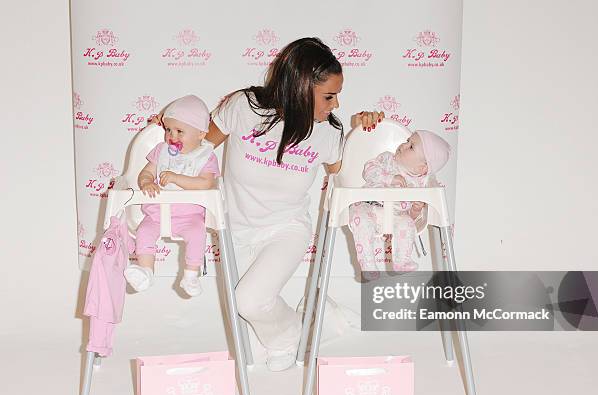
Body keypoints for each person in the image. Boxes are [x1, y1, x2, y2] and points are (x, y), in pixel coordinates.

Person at [150, 37, 383, 371]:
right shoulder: (243, 107)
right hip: (237, 230)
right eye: (329, 95)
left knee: (250, 301)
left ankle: (295, 336)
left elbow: (345, 174)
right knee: (253, 353)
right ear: (301, 87)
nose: (336, 105)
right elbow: (198, 146)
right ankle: (322, 321)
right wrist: (171, 132)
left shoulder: (328, 132)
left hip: (285, 229)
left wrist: (364, 132)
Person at [124, 95, 220, 297]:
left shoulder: (206, 158)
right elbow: (146, 172)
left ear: (201, 134)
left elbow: (205, 183)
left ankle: (191, 275)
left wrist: (177, 178)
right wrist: (147, 182)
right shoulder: (161, 152)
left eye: (179, 131)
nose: (172, 136)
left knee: (197, 235)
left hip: (189, 217)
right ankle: (146, 271)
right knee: (144, 233)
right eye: (168, 130)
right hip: (156, 215)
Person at [348, 130, 450, 271]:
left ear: (422, 167)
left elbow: (412, 218)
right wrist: (389, 178)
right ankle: (368, 265)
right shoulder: (388, 159)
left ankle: (402, 261)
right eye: (407, 141)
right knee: (361, 219)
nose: (403, 145)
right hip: (368, 206)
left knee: (407, 224)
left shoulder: (420, 185)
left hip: (394, 217)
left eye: (411, 146)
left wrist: (415, 210)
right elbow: (369, 170)